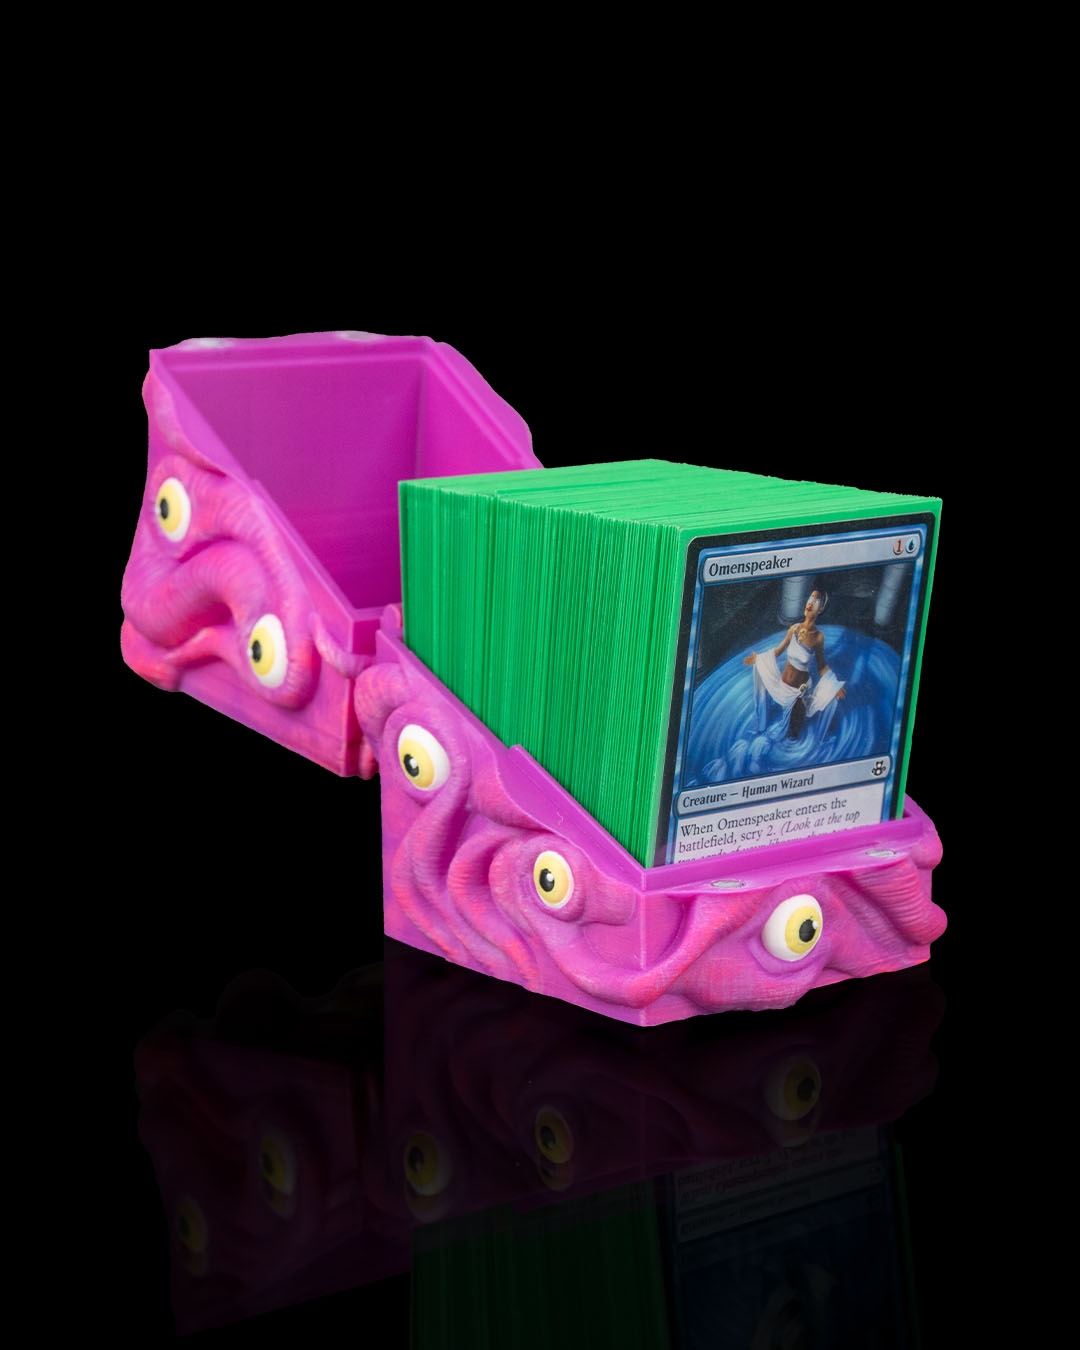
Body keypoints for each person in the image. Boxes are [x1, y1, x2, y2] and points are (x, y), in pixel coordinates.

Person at [744, 590, 845, 738]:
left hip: (799, 692)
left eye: (816, 601)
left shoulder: (818, 637)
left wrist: (834, 685)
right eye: (810, 598)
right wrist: (758, 659)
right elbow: (778, 651)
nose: (810, 603)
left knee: (794, 732)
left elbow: (822, 666)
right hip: (782, 686)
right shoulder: (794, 628)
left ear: (821, 609)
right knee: (782, 729)